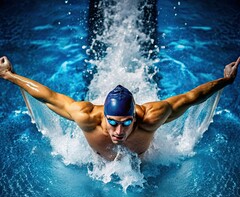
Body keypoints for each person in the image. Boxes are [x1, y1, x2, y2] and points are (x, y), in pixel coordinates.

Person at [0, 56, 239, 160]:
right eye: (112, 122)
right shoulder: (86, 116)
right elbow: (49, 97)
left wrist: (225, 81)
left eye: (126, 122)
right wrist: (10, 76)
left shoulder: (152, 117)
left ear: (135, 117)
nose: (119, 131)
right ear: (102, 115)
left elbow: (191, 97)